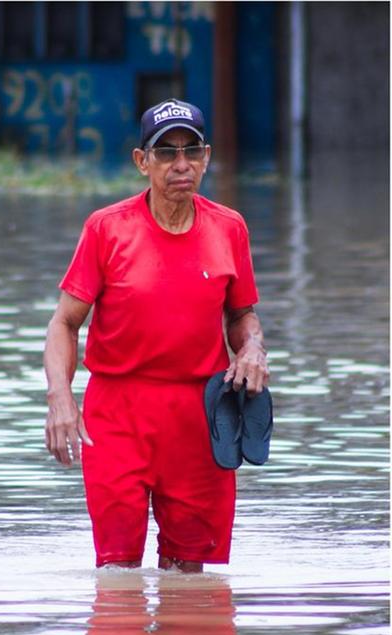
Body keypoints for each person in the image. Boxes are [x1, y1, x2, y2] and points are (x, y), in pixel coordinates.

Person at [43, 98, 269, 573]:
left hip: (200, 416)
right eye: (165, 153)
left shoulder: (230, 228)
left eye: (191, 151)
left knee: (189, 578)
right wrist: (60, 397)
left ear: (207, 158)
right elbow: (64, 322)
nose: (180, 164)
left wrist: (252, 347)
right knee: (117, 572)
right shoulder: (106, 229)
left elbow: (242, 315)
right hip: (116, 417)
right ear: (142, 162)